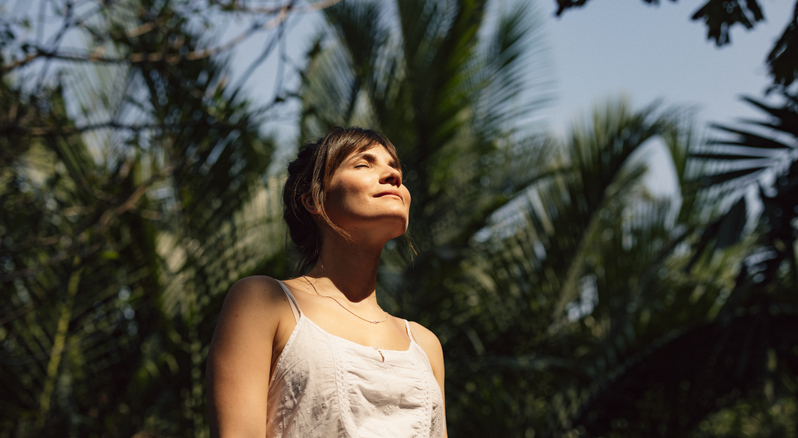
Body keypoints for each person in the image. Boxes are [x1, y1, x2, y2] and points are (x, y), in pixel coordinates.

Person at [206, 127, 447, 438]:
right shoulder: (263, 302)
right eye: (364, 164)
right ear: (314, 200)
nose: (392, 175)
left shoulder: (425, 345)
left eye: (395, 167)